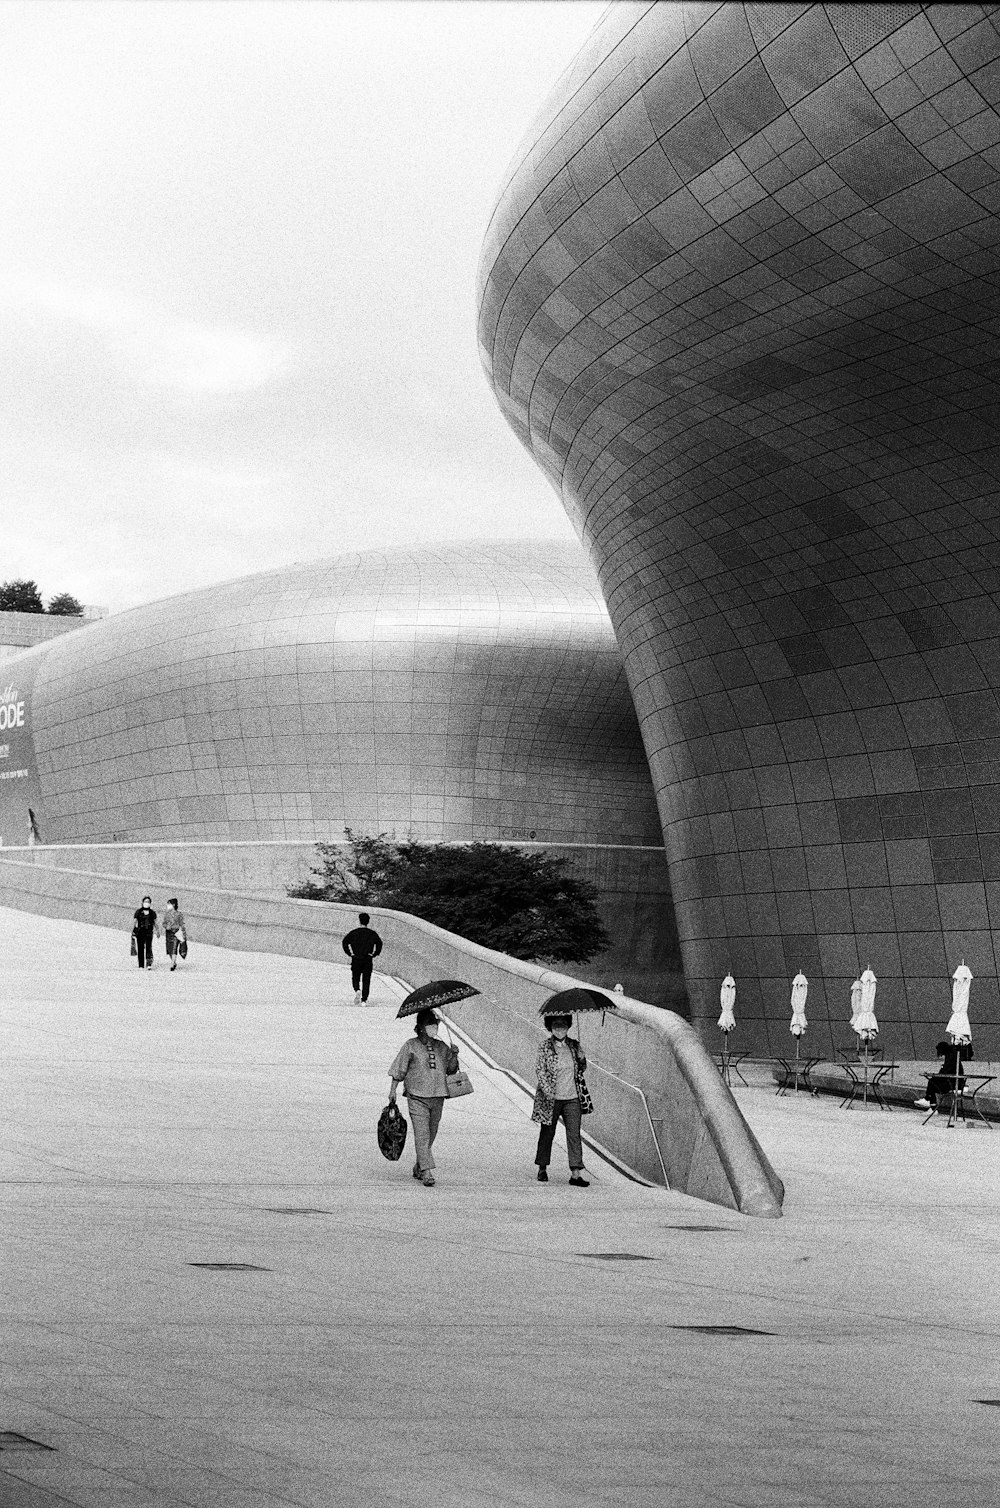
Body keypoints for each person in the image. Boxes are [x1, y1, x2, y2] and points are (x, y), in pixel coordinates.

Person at [387, 1009, 458, 1187]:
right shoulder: (410, 1046)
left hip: (438, 1096)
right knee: (422, 1134)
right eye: (429, 1022)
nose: (433, 1026)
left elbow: (451, 1069)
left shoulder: (442, 1047)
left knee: (431, 1133)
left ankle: (420, 1165)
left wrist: (455, 1054)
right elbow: (399, 1069)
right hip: (416, 1096)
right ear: (420, 1027)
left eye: (434, 1022)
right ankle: (427, 1171)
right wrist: (393, 1090)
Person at [532, 1012, 593, 1186]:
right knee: (547, 1133)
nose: (560, 1029)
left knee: (574, 1134)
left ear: (568, 1026)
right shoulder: (545, 1046)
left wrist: (582, 1058)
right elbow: (540, 1070)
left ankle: (575, 1173)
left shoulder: (574, 1045)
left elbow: (581, 1068)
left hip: (572, 1097)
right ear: (550, 1027)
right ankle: (542, 1167)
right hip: (551, 1098)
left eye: (563, 1025)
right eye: (556, 1026)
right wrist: (547, 1090)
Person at [914, 1034, 975, 1111]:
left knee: (932, 1083)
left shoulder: (951, 1058)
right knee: (932, 1083)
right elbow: (944, 1072)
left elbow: (944, 1072)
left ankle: (930, 1103)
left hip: (954, 1084)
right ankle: (930, 1103)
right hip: (953, 1082)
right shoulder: (951, 1056)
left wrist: (934, 1075)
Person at [342, 911, 383, 1004]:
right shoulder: (372, 933)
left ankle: (357, 990)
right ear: (368, 921)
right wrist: (374, 953)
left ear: (359, 921)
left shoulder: (353, 933)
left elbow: (345, 942)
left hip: (356, 958)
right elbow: (379, 943)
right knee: (366, 979)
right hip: (367, 959)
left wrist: (350, 953)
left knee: (355, 977)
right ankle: (364, 1000)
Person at [131, 896, 160, 970]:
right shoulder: (138, 911)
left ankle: (148, 963)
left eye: (148, 902)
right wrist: (132, 931)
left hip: (149, 932)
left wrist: (157, 931)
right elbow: (135, 922)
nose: (147, 903)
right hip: (140, 931)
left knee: (148, 947)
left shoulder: (152, 913)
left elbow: (155, 922)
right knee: (140, 947)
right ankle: (141, 964)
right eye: (145, 901)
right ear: (142, 902)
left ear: (150, 903)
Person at [162, 897, 186, 971]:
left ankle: (172, 964)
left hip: (176, 932)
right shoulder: (167, 914)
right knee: (169, 949)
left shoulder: (179, 914)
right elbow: (164, 923)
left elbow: (182, 924)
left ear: (173, 905)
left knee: (174, 948)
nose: (168, 906)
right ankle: (174, 962)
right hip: (168, 933)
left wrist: (183, 933)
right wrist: (166, 926)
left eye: (169, 904)